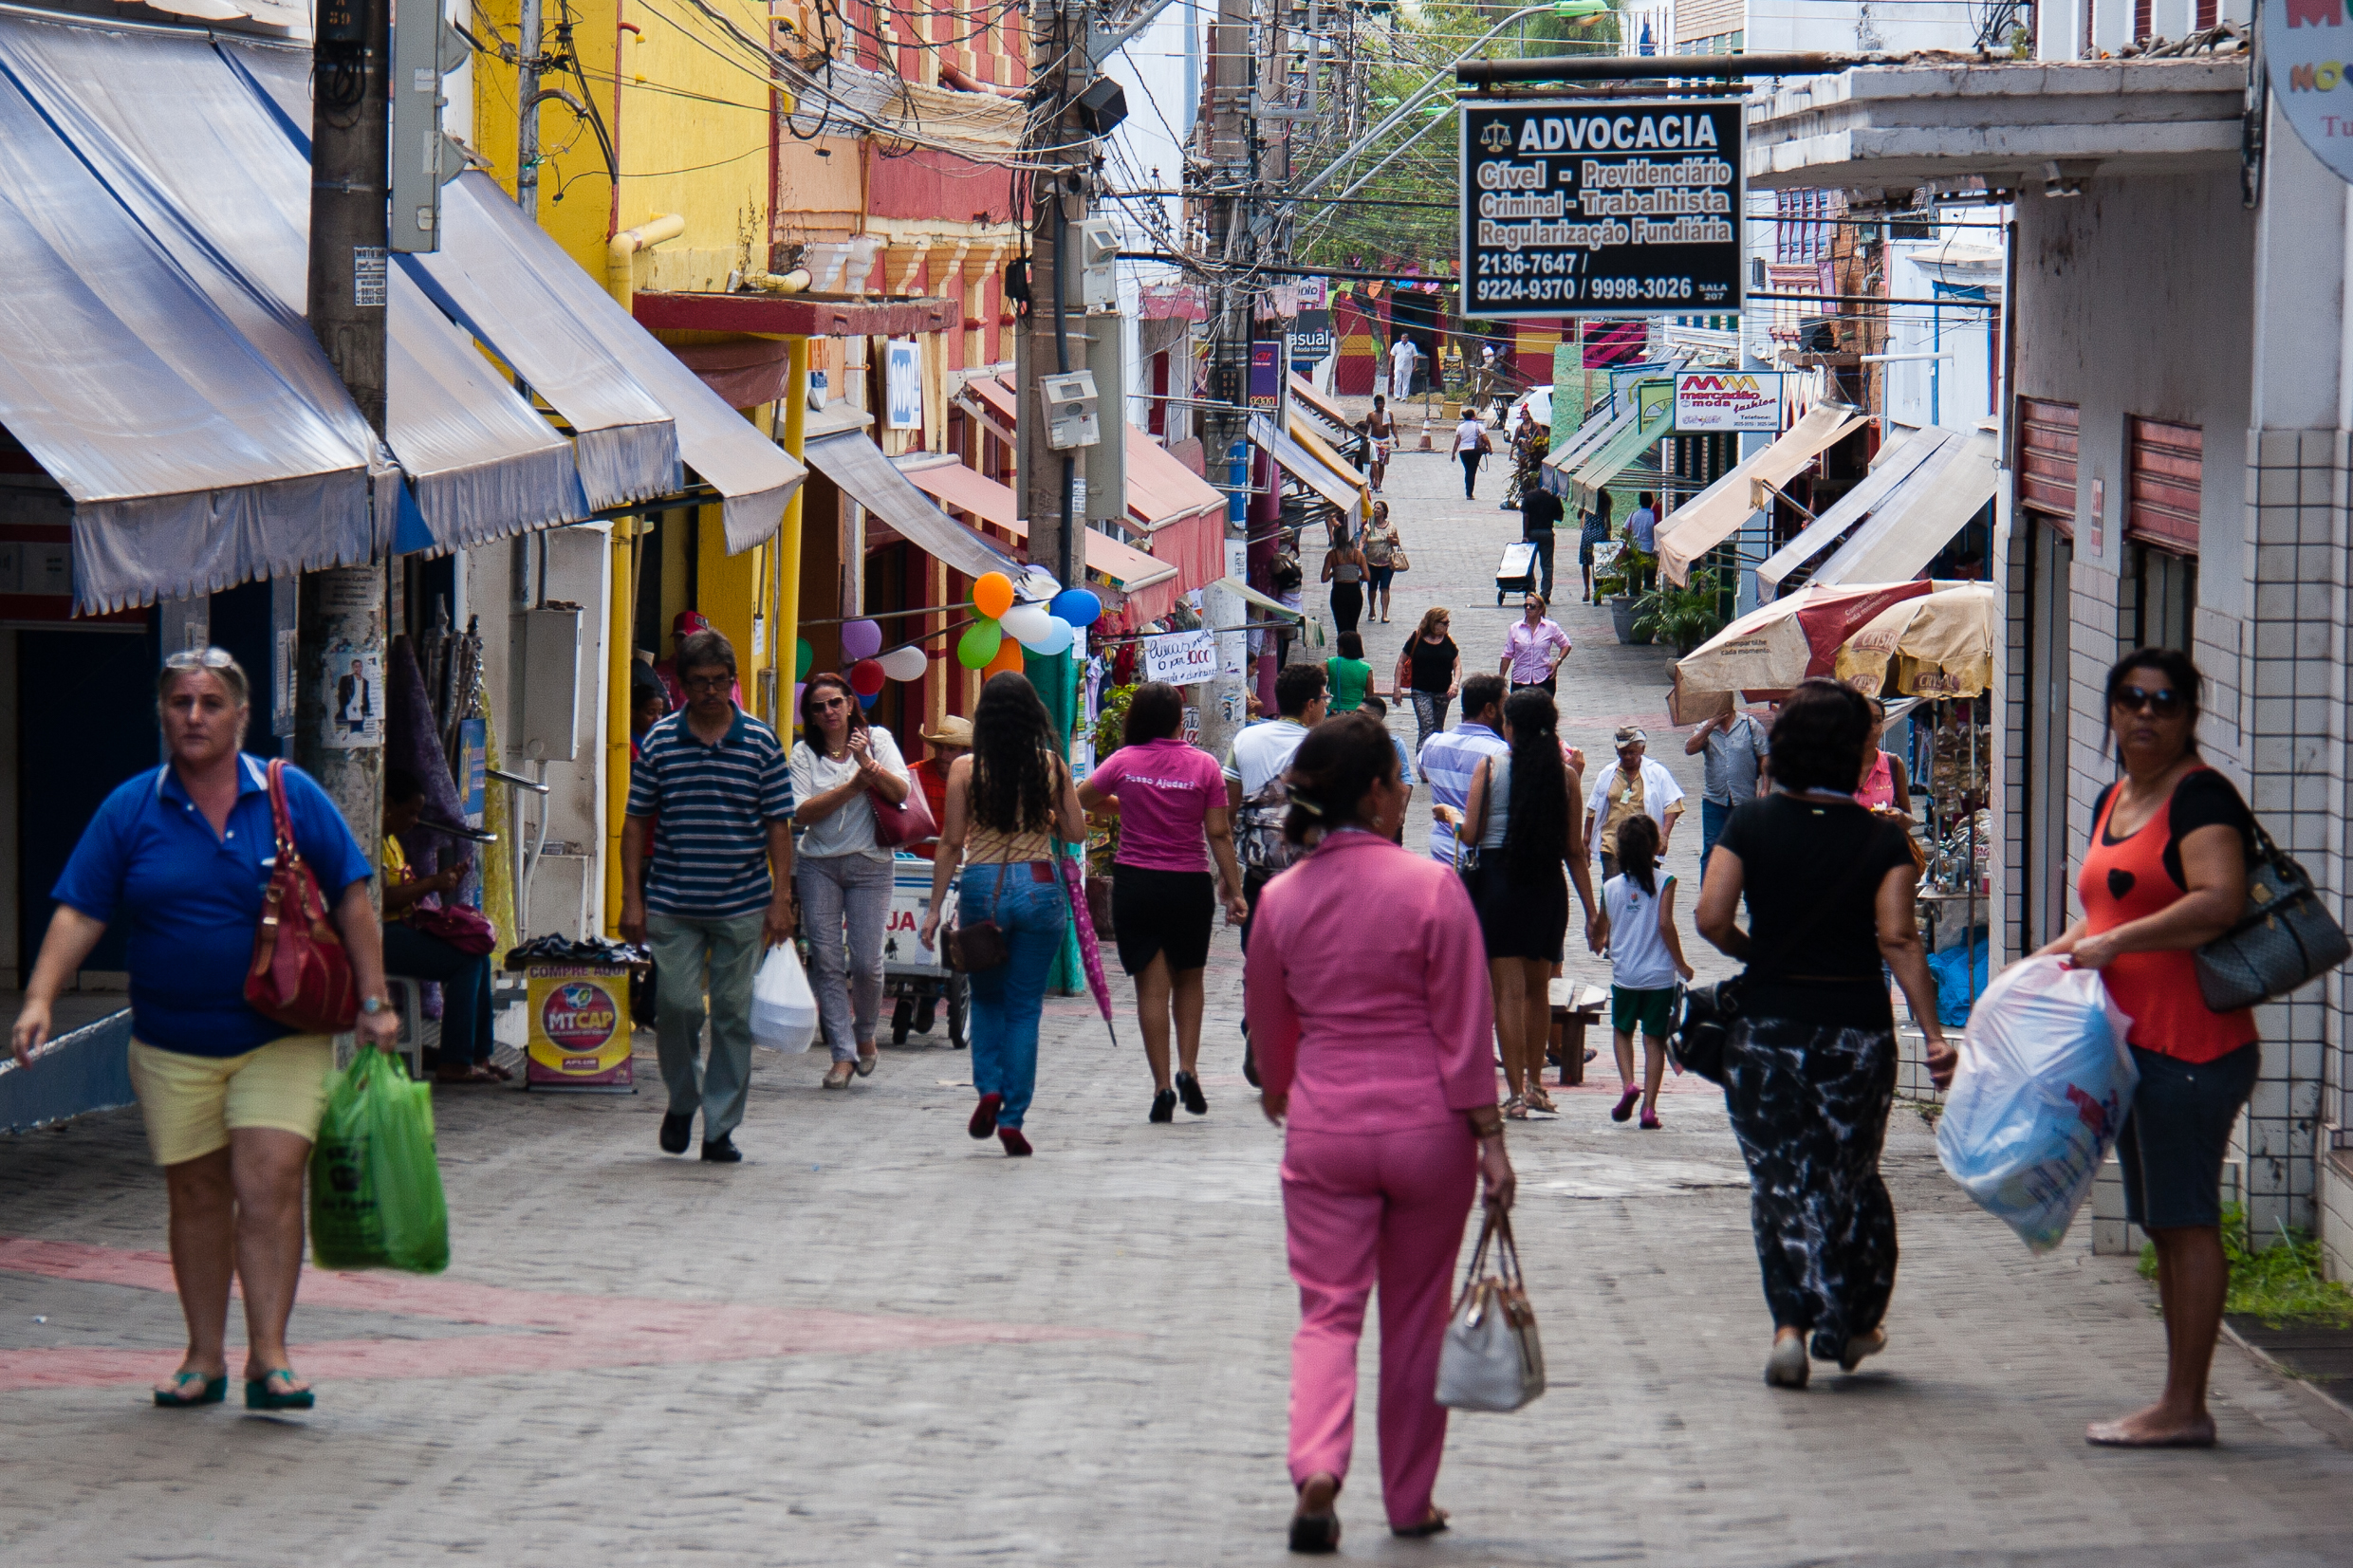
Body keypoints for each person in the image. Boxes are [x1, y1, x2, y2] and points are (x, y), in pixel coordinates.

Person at [11, 648, 398, 1412]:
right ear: (161, 713)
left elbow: (352, 896)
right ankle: (201, 1356)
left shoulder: (290, 796)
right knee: (194, 1193)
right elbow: (82, 908)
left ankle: (271, 1356)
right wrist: (39, 998)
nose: (194, 716)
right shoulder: (131, 808)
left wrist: (376, 998)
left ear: (242, 715)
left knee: (269, 1182)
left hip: (280, 1033)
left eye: (211, 702)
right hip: (171, 1040)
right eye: (181, 702)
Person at [1243, 711, 1514, 1552]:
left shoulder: (1282, 899)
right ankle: (1407, 1498)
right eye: (1400, 779)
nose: (1407, 792)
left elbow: (1268, 1031)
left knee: (1327, 1313)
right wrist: (1493, 1144)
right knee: (1415, 1317)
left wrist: (1287, 1095)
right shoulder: (1433, 890)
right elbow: (1466, 1033)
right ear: (1375, 794)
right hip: (1431, 1132)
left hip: (1325, 1123)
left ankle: (1318, 1463)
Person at [1694, 678, 1948, 1390]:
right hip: (1855, 1034)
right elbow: (1898, 940)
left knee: (1777, 1181)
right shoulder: (1881, 839)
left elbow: (1711, 918)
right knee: (1849, 1178)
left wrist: (1761, 957)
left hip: (1766, 1032)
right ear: (1852, 754)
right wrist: (1933, 1034)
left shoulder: (1751, 825)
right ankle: (1850, 1317)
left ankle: (1789, 1329)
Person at [2034, 649, 2258, 1448]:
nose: (2145, 715)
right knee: (2163, 1222)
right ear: (2113, 708)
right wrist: (2045, 960)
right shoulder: (2115, 797)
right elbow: (2097, 920)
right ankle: (2177, 1397)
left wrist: (2117, 941)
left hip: (2192, 1047)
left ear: (2191, 714)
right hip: (2133, 1049)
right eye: (2131, 699)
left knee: (2186, 1219)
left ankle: (2185, 1406)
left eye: (2165, 702)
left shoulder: (2201, 799)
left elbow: (2219, 903)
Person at [621, 628, 796, 1164]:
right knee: (674, 1009)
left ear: (733, 682)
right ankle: (683, 1099)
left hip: (742, 901)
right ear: (683, 687)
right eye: (699, 682)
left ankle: (719, 1127)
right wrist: (633, 899)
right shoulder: (660, 742)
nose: (711, 691)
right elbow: (635, 823)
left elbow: (778, 826)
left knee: (731, 1014)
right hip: (673, 900)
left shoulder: (762, 743)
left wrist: (781, 897)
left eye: (720, 681)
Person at [919, 672, 1087, 1156]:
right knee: (1024, 1007)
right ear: (1033, 714)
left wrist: (933, 911)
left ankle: (988, 1089)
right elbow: (1075, 833)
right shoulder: (1051, 766)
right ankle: (1013, 1115)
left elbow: (951, 842)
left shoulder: (965, 770)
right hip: (1038, 885)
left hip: (982, 886)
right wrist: (1048, 815)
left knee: (987, 1000)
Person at [1078, 682, 1248, 1122]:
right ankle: (1189, 1069)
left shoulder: (1124, 762)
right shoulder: (1205, 766)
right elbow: (1218, 832)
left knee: (1150, 988)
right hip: (1188, 885)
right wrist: (1235, 888)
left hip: (1136, 884)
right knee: (1189, 979)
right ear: (1178, 719)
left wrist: (1127, 805)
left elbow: (1081, 799)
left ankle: (1161, 1088)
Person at [1459, 688, 1603, 1118]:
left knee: (1507, 993)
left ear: (1509, 727)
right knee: (1540, 991)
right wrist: (1594, 914)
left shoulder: (1489, 767)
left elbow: (1471, 835)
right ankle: (1538, 1086)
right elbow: (1574, 852)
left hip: (1498, 885)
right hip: (1547, 887)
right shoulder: (1566, 777)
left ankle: (1517, 1092)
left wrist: (1450, 820)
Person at [791, 672, 912, 1090]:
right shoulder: (804, 754)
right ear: (809, 714)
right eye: (818, 706)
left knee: (866, 962)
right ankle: (841, 1054)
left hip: (870, 864)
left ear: (850, 703)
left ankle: (865, 1033)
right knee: (825, 960)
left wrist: (867, 766)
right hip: (818, 865)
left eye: (835, 703)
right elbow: (801, 812)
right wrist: (851, 788)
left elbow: (900, 793)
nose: (828, 712)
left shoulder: (876, 740)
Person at [380, 767, 498, 1085]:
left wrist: (438, 885)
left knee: (477, 952)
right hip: (381, 935)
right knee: (465, 963)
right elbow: (382, 899)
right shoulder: (370, 841)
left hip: (403, 926)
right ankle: (455, 1061)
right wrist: (431, 882)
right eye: (411, 813)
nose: (415, 821)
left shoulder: (391, 841)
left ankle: (478, 1055)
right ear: (388, 803)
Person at [1602, 815, 1693, 1130]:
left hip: (1625, 974)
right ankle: (1649, 1108)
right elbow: (1666, 925)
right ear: (1655, 847)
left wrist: (1601, 938)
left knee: (1622, 1031)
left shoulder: (1611, 887)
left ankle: (1628, 1084)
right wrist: (1682, 963)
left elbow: (1603, 927)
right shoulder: (1665, 881)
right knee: (1654, 1039)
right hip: (1658, 976)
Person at [1417, 673, 1508, 870]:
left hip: (1442, 853)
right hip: (1482, 861)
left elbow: (1422, 771)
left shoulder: (1432, 744)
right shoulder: (1500, 754)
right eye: (1505, 707)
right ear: (1490, 710)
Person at [1584, 727, 1686, 881]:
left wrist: (1664, 836)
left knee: (1643, 893)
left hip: (1645, 846)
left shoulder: (1657, 773)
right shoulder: (1607, 774)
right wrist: (1586, 842)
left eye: (1632, 752)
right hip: (1612, 844)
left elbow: (1672, 805)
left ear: (1642, 750)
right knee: (1613, 892)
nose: (1627, 757)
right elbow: (1592, 809)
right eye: (1623, 753)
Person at [1687, 705, 1771, 864]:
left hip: (1745, 801)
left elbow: (1765, 758)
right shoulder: (1706, 727)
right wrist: (1710, 726)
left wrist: (1765, 789)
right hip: (1715, 801)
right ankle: (1708, 888)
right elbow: (1690, 749)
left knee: (1748, 849)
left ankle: (1749, 887)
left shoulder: (1750, 725)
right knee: (1712, 849)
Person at [1395, 607, 1461, 753]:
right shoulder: (1416, 637)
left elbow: (1457, 664)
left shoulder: (1448, 640)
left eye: (1448, 623)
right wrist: (1397, 688)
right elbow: (1401, 662)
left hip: (1443, 692)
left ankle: (1435, 759)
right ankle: (1422, 761)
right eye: (1444, 623)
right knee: (1427, 726)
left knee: (1438, 729)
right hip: (1421, 690)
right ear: (1433, 623)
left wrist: (1455, 684)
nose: (1447, 626)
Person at [906, 715, 972, 862]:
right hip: (913, 864)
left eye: (951, 749)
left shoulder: (976, 781)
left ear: (965, 751)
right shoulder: (913, 775)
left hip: (957, 865)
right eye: (939, 747)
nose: (943, 754)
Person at [1357, 694, 1417, 842]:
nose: (1355, 717)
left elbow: (1406, 779)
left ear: (1376, 718)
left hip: (1385, 813)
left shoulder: (1394, 744)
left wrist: (1401, 810)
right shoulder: (1349, 743)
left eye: (1361, 713)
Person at [1499, 594, 1570, 695]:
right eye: (1526, 605)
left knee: (1543, 710)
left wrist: (1558, 661)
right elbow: (1507, 655)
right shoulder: (1515, 628)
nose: (1528, 608)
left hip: (1544, 678)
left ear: (1540, 609)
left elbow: (1566, 645)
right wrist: (1501, 678)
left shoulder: (1550, 627)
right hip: (1521, 679)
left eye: (1532, 606)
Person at [1857, 698, 1916, 821]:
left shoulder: (1893, 764)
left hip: (1883, 839)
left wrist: (1900, 816)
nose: (1871, 727)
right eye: (1863, 719)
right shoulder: (1834, 766)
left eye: (1877, 721)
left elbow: (1909, 818)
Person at [1521, 476, 1565, 600]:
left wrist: (1525, 535)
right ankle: (1545, 593)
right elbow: (1560, 517)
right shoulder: (1553, 498)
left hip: (1532, 533)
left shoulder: (1529, 496)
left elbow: (1526, 516)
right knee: (1547, 565)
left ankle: (1530, 589)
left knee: (1529, 563)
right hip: (1547, 533)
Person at [1322, 526, 1367, 636]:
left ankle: (1342, 649)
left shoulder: (1332, 555)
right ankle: (1353, 650)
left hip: (1339, 592)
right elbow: (1367, 576)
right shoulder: (1358, 555)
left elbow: (1324, 578)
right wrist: (1354, 576)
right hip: (1354, 591)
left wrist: (1335, 573)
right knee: (1352, 627)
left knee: (1341, 628)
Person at [1361, 503, 1400, 625]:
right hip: (1371, 562)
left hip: (1387, 562)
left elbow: (1397, 542)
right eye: (1375, 508)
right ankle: (1372, 610)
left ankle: (1384, 614)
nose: (1376, 510)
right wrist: (1359, 551)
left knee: (1385, 588)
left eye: (1379, 508)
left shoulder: (1391, 526)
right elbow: (1363, 540)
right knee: (1372, 588)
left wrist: (1392, 540)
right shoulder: (1369, 526)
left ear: (1384, 512)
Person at [1578, 490, 1615, 604]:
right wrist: (1608, 536)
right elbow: (1608, 521)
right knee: (1598, 564)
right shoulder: (1605, 500)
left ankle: (1586, 591)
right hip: (1600, 533)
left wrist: (1582, 505)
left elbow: (1579, 515)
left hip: (1588, 533)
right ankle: (1597, 592)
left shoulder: (1587, 499)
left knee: (1585, 563)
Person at [1325, 631, 1373, 715]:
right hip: (1356, 713)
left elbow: (1313, 677)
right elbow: (1370, 697)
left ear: (1341, 648)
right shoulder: (1366, 668)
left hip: (1334, 712)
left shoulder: (1330, 663)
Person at [1450, 410, 1491, 499]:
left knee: (1468, 470)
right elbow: (1485, 439)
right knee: (1472, 472)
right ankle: (1469, 493)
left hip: (1463, 451)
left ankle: (1468, 491)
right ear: (1473, 416)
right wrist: (1490, 448)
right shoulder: (1478, 426)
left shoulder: (1460, 427)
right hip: (1475, 451)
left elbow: (1457, 441)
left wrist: (1453, 453)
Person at [1364, 397, 1398, 493]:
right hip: (1374, 441)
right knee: (1373, 463)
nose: (1380, 406)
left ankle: (1379, 484)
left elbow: (1393, 426)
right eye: (1378, 404)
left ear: (1384, 404)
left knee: (1382, 464)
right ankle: (1372, 482)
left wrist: (1396, 438)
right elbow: (1366, 427)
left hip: (1385, 441)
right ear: (1375, 404)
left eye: (1381, 404)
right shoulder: (1371, 415)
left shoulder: (1388, 414)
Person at [1389, 335, 1419, 402]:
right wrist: (1389, 364)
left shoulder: (1412, 346)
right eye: (1403, 337)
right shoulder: (1397, 345)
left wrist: (1415, 365)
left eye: (1406, 338)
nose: (1404, 339)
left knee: (1406, 381)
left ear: (1408, 339)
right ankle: (1397, 395)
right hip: (1398, 366)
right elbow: (1392, 355)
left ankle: (1404, 397)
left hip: (1408, 367)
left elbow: (1415, 356)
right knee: (1397, 380)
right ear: (1401, 338)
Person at [1628, 490, 1659, 554]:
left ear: (1640, 502)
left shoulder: (1633, 515)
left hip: (1634, 551)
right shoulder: (1653, 517)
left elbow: (1625, 530)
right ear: (1651, 501)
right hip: (1648, 550)